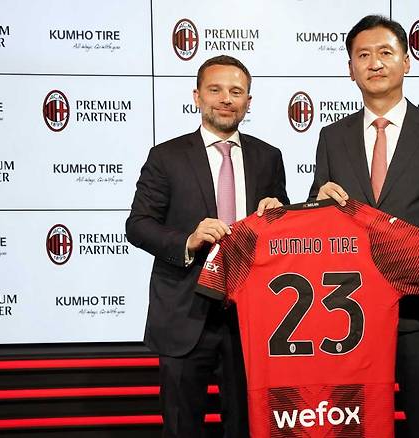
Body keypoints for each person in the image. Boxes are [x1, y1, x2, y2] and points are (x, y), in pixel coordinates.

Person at [308, 15, 419, 438]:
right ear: (350, 69)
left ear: (407, 61)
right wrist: (311, 205)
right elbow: (319, 212)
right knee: (352, 425)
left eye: (385, 53)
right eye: (363, 55)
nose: (374, 63)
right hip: (348, 313)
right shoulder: (332, 137)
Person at [126, 55, 289, 438]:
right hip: (185, 314)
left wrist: (278, 217)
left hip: (251, 317)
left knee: (248, 426)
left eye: (236, 92)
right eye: (215, 90)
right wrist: (188, 240)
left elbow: (279, 233)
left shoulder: (269, 157)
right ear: (197, 96)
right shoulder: (166, 157)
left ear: (249, 101)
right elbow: (138, 225)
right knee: (182, 427)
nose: (226, 99)